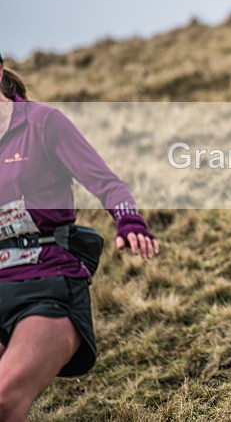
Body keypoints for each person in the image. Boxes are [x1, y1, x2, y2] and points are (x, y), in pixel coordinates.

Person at [0, 54, 158, 421]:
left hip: (47, 290)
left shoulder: (42, 123)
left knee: (4, 399)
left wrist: (129, 221)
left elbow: (108, 184)